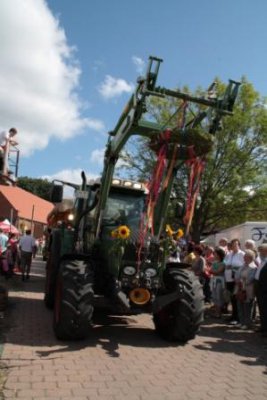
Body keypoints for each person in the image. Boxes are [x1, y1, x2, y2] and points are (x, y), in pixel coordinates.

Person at [224, 238, 245, 325]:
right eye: (232, 245)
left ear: (239, 245)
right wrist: (227, 266)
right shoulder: (229, 254)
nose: (234, 246)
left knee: (236, 298)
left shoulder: (242, 254)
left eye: (236, 244)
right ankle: (233, 315)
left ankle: (237, 318)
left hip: (237, 279)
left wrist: (233, 267)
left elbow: (244, 265)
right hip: (229, 279)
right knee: (232, 298)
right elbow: (225, 262)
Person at [235, 249, 257, 329]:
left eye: (245, 257)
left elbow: (250, 279)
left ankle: (247, 323)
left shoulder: (253, 267)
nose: (244, 258)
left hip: (248, 290)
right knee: (240, 305)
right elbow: (237, 274)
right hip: (240, 289)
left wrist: (241, 279)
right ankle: (241, 322)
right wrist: (238, 279)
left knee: (247, 307)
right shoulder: (243, 265)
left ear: (250, 257)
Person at [210, 247, 225, 318]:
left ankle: (219, 313)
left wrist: (212, 271)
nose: (214, 255)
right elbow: (213, 271)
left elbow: (217, 272)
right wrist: (213, 271)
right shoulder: (214, 262)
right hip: (214, 281)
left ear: (219, 255)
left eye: (215, 254)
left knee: (219, 296)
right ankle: (216, 312)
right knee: (214, 296)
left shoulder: (223, 263)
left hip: (219, 281)